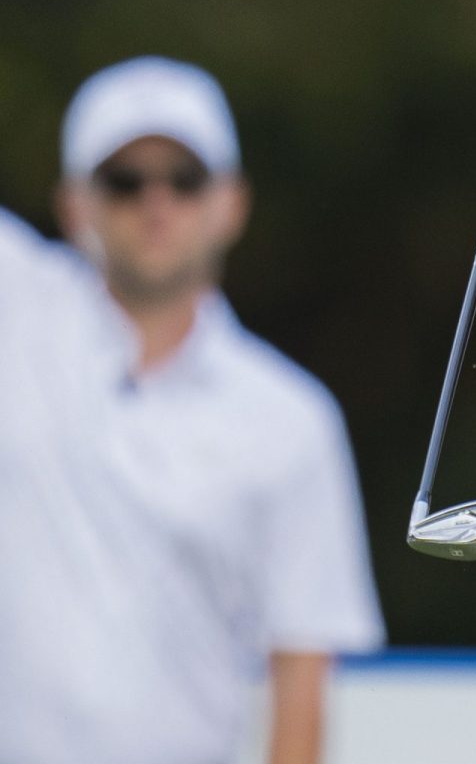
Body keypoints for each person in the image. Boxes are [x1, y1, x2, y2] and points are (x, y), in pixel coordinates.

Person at [0, 56, 385, 764]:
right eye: (123, 181)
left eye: (184, 178)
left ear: (230, 202)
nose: (156, 202)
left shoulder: (292, 421)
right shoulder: (16, 316)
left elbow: (301, 681)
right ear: (73, 205)